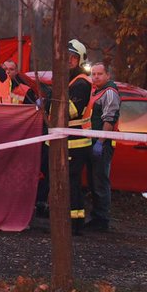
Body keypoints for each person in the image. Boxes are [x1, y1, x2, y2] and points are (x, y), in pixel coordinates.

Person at [84, 61, 120, 232]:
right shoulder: (96, 91)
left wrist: (100, 142)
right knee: (93, 181)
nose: (96, 77)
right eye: (94, 74)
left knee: (100, 182)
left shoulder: (110, 93)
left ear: (108, 75)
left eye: (99, 74)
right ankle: (96, 216)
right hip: (91, 141)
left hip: (102, 144)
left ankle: (102, 219)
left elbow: (109, 119)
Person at [64, 39, 93, 234]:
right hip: (70, 140)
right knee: (69, 183)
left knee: (72, 183)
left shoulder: (81, 83)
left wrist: (49, 101)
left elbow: (70, 111)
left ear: (80, 60)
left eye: (72, 58)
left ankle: (75, 226)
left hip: (76, 142)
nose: (68, 60)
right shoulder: (71, 79)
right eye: (66, 57)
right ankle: (74, 222)